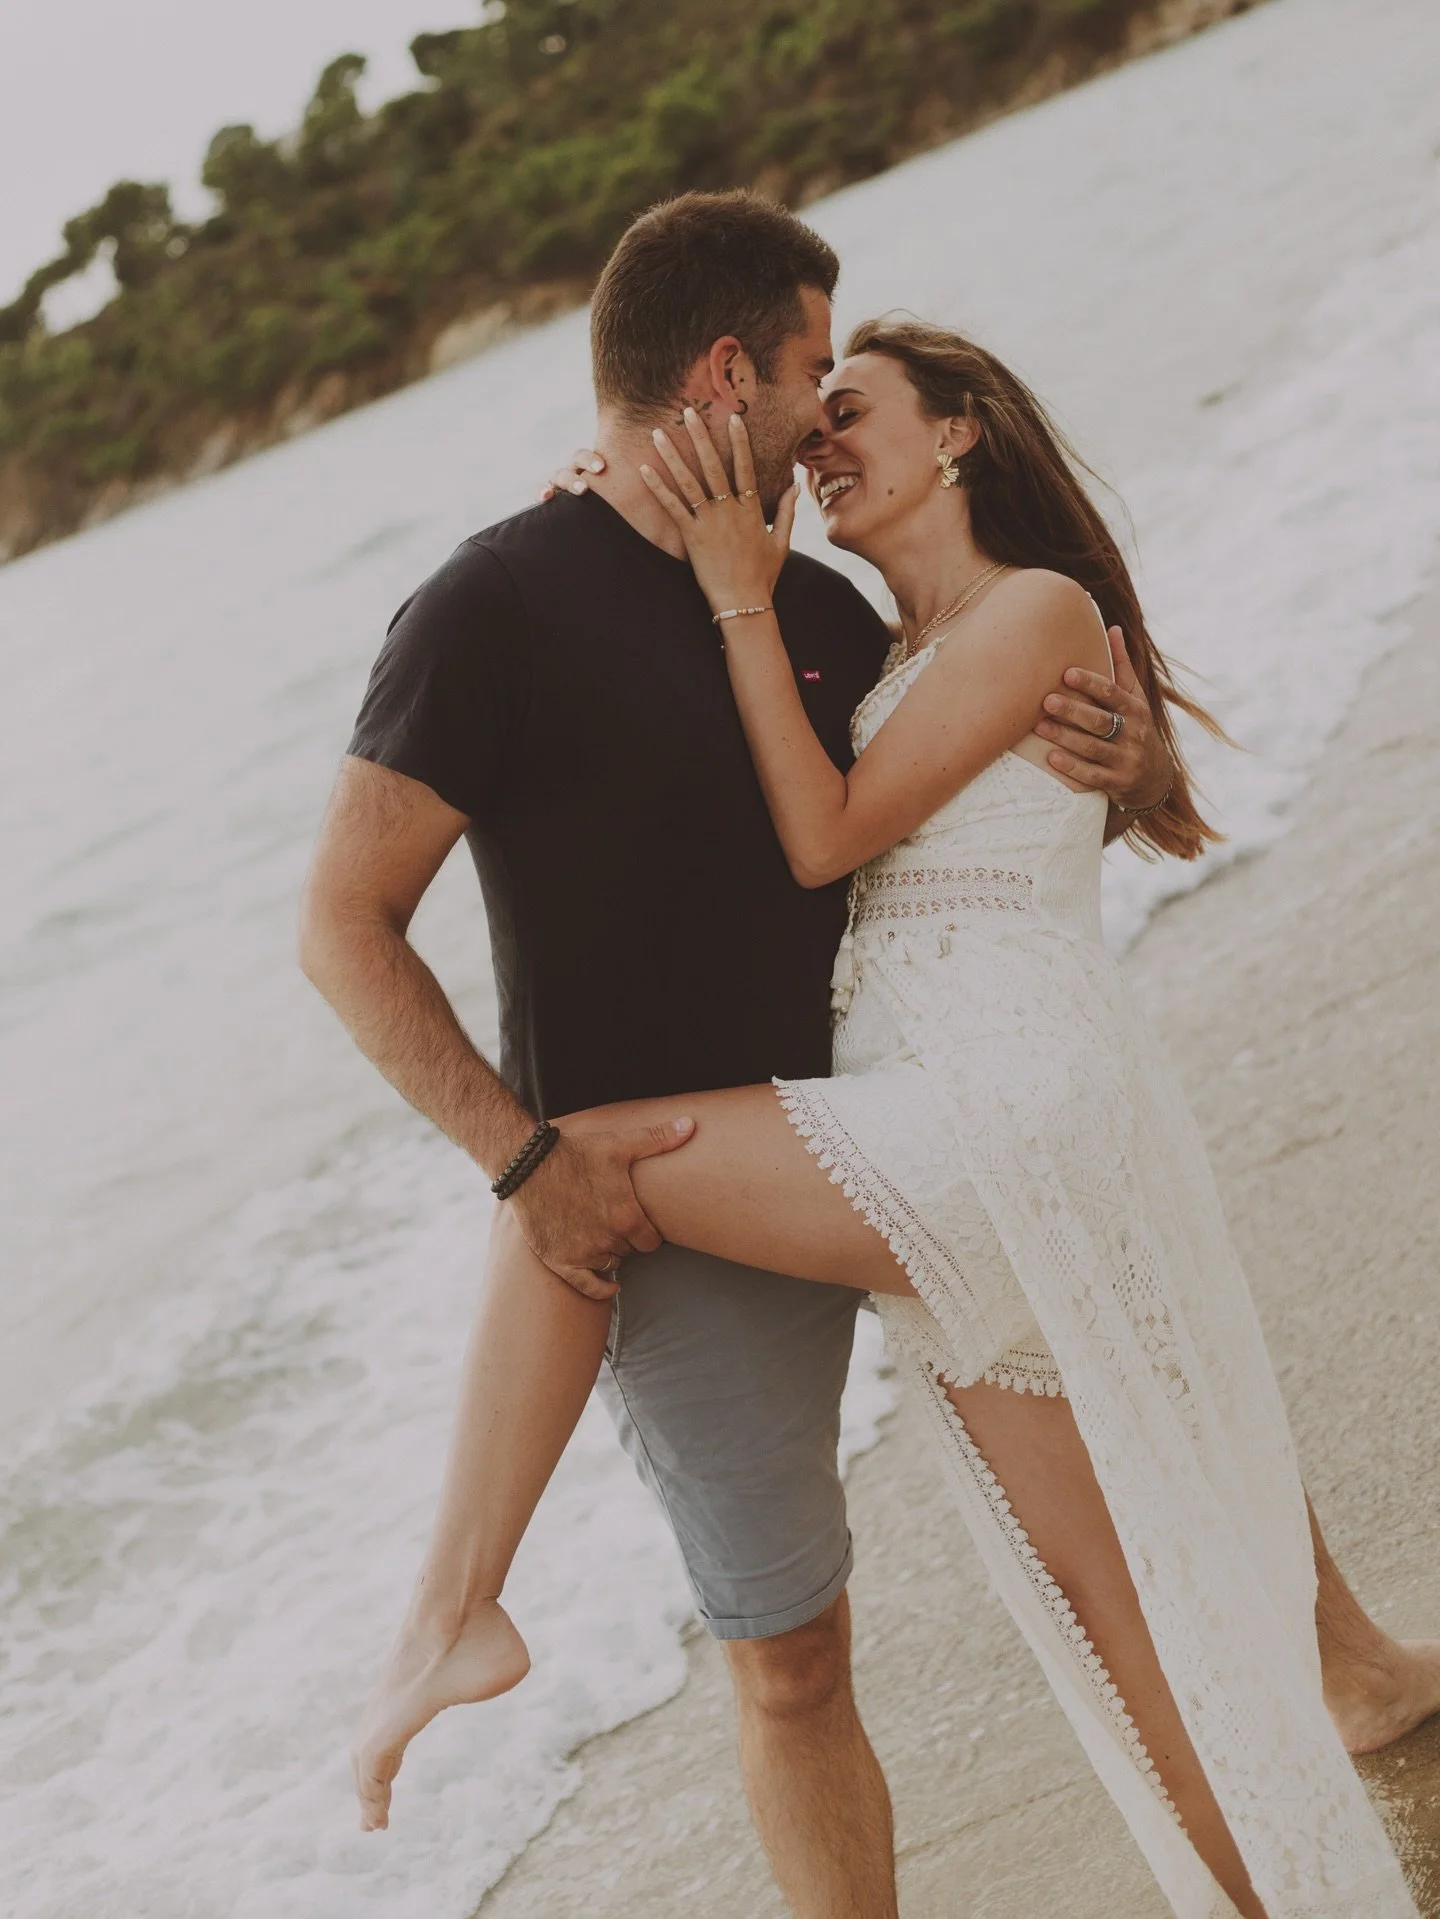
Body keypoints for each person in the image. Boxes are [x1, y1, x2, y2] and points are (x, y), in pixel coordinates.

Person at [299, 193, 1438, 1917]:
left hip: (909, 1117)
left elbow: (931, 803)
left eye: (853, 397)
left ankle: (1345, 1675)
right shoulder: (498, 602)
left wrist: (1127, 761)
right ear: (725, 371)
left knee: (1145, 1426)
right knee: (841, 1642)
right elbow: (340, 924)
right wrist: (520, 1160)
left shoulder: (821, 612)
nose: (824, 427)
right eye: (812, 380)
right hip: (748, 1182)